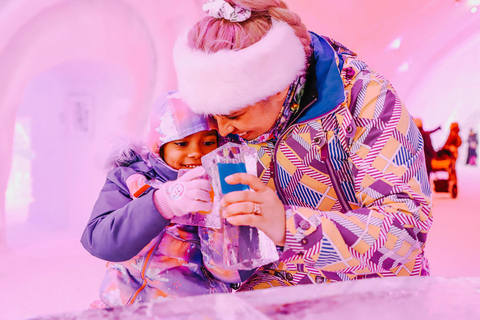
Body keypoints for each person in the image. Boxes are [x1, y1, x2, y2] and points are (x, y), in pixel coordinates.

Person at [172, 0, 433, 289]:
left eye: (234, 115)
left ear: (278, 86)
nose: (222, 130)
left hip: (372, 295)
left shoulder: (364, 101)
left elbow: (405, 235)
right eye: (213, 115)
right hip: (274, 298)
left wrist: (288, 226)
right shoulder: (229, 117)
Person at [80, 91, 241, 307]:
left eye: (208, 142)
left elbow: (231, 274)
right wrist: (164, 203)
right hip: (121, 308)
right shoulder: (129, 178)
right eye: (182, 144)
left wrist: (220, 218)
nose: (197, 153)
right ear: (160, 145)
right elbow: (100, 241)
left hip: (190, 312)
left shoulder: (227, 185)